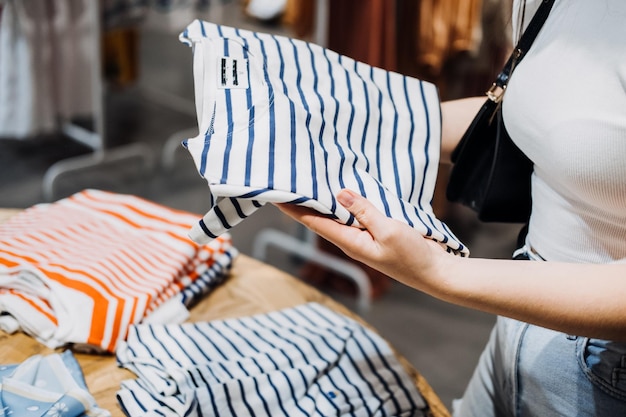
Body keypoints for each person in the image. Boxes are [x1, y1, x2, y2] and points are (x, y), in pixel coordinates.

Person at [276, 0, 626, 415]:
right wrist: (358, 122)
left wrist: (441, 272)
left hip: (607, 367)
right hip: (520, 314)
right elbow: (555, 122)